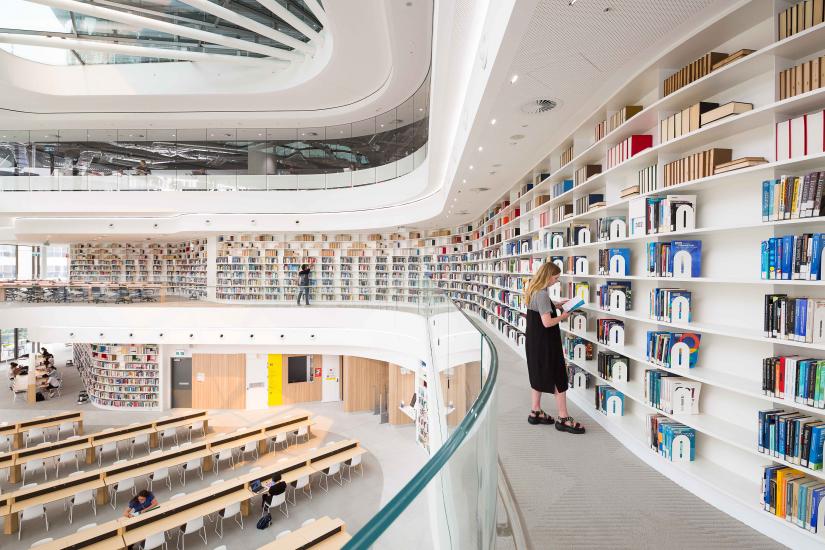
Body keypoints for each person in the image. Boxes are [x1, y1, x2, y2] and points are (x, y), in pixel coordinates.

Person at [524, 262, 585, 434]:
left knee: (537, 373)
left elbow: (540, 308)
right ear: (548, 276)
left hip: (534, 342)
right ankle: (563, 418)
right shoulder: (542, 294)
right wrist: (564, 316)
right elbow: (547, 321)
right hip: (546, 343)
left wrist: (557, 305)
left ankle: (535, 411)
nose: (556, 281)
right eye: (556, 278)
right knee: (558, 375)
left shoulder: (533, 289)